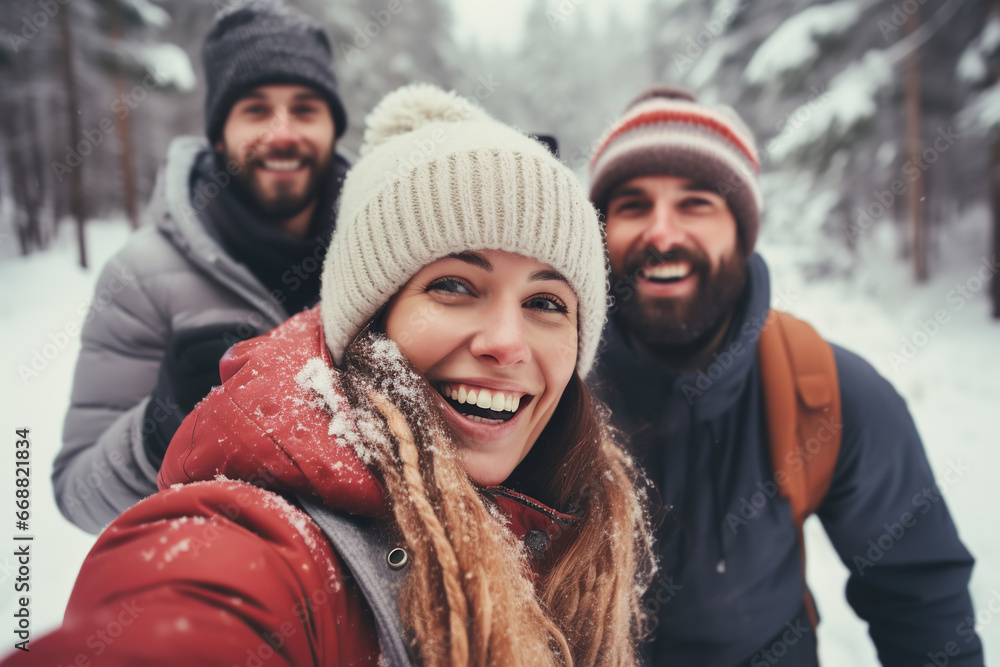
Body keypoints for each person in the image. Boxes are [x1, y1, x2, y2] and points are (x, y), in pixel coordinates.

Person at [11, 84, 655, 666]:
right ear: (370, 317)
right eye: (454, 285)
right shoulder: (272, 547)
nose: (506, 343)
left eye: (546, 302)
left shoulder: (584, 515)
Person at [587, 86, 984, 666]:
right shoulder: (549, 385)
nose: (662, 233)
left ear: (743, 232)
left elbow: (920, 601)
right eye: (633, 206)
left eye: (696, 203)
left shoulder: (825, 390)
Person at [54, 0, 351, 534]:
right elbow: (78, 496)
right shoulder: (140, 276)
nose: (282, 133)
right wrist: (157, 426)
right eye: (256, 110)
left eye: (305, 109)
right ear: (219, 132)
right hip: (216, 592)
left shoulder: (382, 257)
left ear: (333, 127)